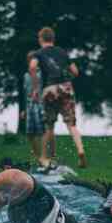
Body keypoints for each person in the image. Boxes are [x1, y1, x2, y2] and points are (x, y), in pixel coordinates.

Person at [29, 27, 87, 168]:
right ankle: (80, 150)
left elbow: (32, 67)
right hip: (66, 87)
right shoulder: (62, 52)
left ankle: (45, 157)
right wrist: (67, 79)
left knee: (49, 125)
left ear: (41, 38)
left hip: (50, 89)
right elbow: (75, 71)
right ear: (53, 39)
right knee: (71, 124)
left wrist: (36, 88)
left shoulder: (39, 53)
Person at [22, 51, 48, 166]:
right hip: (29, 105)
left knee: (41, 131)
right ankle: (37, 157)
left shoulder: (42, 74)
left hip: (40, 104)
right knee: (29, 133)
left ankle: (43, 157)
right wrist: (24, 109)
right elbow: (24, 93)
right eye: (29, 60)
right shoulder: (26, 75)